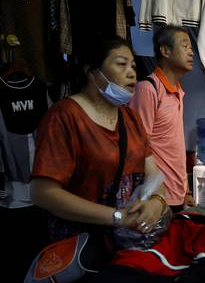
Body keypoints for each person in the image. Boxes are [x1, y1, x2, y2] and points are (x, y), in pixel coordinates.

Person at [31, 37, 167, 252]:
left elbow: (154, 174)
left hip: (125, 246)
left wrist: (157, 202)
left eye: (133, 65)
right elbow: (42, 193)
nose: (132, 72)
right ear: (92, 72)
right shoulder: (64, 117)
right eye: (121, 64)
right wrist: (117, 217)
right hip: (78, 249)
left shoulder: (131, 118)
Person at [130, 25, 194, 213]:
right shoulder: (147, 89)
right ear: (165, 50)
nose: (191, 53)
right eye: (185, 46)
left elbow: (175, 146)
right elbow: (139, 145)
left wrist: (186, 191)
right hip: (157, 196)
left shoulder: (178, 91)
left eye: (191, 47)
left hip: (176, 193)